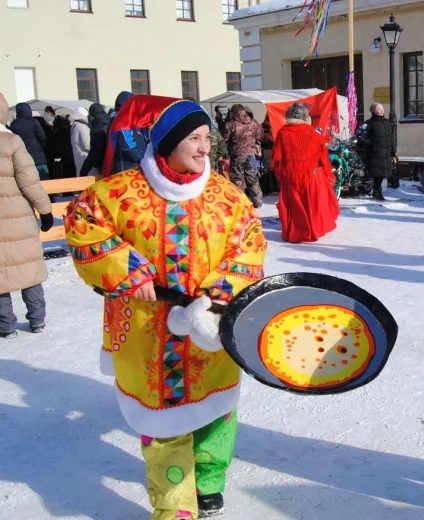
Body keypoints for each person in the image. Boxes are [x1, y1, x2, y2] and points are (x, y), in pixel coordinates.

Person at [64, 100, 267, 520]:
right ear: (169, 143)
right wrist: (127, 270)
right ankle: (174, 506)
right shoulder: (117, 192)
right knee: (161, 424)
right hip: (145, 335)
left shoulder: (228, 198)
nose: (203, 148)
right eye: (193, 139)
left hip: (209, 330)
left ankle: (209, 483)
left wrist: (218, 295)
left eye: (207, 138)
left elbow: (249, 245)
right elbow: (82, 223)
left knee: (215, 410)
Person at [0, 93, 53, 338]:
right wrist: (45, 210)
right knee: (29, 270)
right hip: (19, 218)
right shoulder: (12, 142)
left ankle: (6, 325)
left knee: (1, 277)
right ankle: (37, 319)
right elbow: (29, 181)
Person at [271, 103, 339, 243]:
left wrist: (282, 172)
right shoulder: (313, 133)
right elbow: (322, 151)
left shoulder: (282, 133)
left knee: (296, 206)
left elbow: (277, 157)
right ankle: (314, 229)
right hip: (311, 176)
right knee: (312, 205)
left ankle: (295, 232)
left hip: (290, 177)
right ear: (305, 117)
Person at [224, 103, 264, 207]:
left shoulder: (231, 124)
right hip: (251, 154)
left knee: (237, 179)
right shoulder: (253, 122)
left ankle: (239, 202)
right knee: (252, 178)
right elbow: (260, 135)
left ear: (233, 112)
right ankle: (258, 201)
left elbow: (225, 138)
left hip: (237, 154)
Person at [363, 102, 396, 201]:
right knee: (378, 173)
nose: (381, 111)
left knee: (384, 172)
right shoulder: (369, 123)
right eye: (378, 110)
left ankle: (378, 190)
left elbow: (391, 138)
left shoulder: (387, 123)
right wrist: (371, 143)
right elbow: (362, 137)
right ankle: (377, 191)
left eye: (382, 109)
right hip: (375, 152)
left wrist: (393, 151)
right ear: (373, 111)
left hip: (386, 152)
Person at [9, 102, 48, 180]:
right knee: (44, 181)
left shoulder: (13, 125)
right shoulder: (34, 122)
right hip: (38, 158)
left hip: (22, 159)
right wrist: (40, 148)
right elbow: (42, 137)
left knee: (28, 181)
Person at [79, 103, 111, 176]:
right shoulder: (110, 120)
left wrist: (85, 169)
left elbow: (96, 151)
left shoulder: (98, 126)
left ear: (92, 114)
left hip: (104, 164)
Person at [52, 114, 76, 179]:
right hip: (70, 154)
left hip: (61, 155)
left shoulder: (56, 132)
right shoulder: (69, 129)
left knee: (64, 171)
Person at [70, 106, 92, 175]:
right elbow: (88, 145)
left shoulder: (74, 126)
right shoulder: (82, 127)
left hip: (79, 161)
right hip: (86, 160)